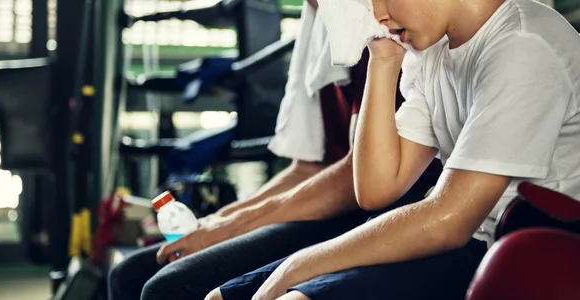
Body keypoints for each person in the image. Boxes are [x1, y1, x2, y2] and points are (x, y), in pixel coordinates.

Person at [206, 0, 580, 299]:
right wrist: (383, 62)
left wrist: (300, 265)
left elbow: (449, 222)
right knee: (221, 296)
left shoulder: (524, 44)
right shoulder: (434, 52)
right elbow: (375, 189)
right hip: (458, 242)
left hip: (519, 251)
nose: (378, 14)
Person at [107, 1, 442, 298]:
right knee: (130, 272)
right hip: (337, 203)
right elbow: (307, 167)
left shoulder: (385, 19)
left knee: (166, 287)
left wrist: (229, 228)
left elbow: (356, 178)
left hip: (375, 212)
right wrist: (218, 221)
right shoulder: (320, 20)